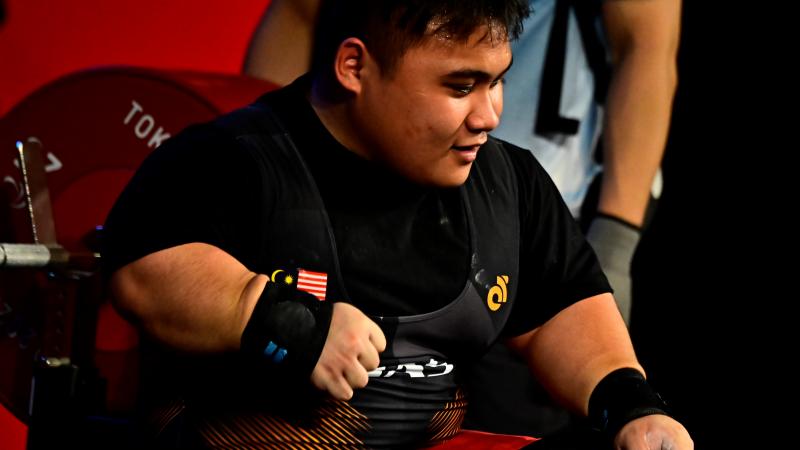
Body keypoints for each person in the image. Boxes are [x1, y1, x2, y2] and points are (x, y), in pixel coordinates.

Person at [104, 1, 691, 448]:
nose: (489, 116)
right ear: (354, 66)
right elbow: (145, 272)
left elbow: (562, 309)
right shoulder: (231, 161)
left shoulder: (510, 184)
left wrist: (633, 408)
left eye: (497, 82)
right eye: (460, 86)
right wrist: (285, 321)